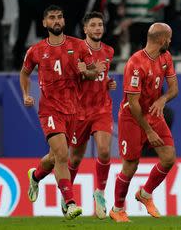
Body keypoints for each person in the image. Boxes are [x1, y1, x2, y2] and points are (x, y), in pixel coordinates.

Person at [21, 5, 102, 220]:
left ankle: (36, 176)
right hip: (49, 109)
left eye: (59, 17)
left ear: (64, 21)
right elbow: (24, 73)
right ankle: (70, 202)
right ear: (45, 23)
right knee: (63, 155)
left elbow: (94, 73)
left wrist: (89, 72)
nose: (56, 20)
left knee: (55, 156)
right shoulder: (36, 50)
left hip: (73, 110)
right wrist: (26, 94)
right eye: (52, 18)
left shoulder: (79, 46)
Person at [109, 23, 178, 222]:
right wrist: (148, 131)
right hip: (132, 116)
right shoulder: (135, 63)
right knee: (131, 165)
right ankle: (117, 209)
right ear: (162, 39)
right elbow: (133, 104)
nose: (171, 42)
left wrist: (162, 99)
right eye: (170, 38)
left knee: (168, 157)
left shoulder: (166, 57)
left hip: (154, 113)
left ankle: (145, 194)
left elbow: (174, 89)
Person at [67, 12, 116, 219]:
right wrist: (91, 71)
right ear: (85, 29)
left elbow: (101, 76)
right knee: (76, 157)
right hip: (79, 111)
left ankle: (100, 193)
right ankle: (66, 194)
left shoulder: (109, 51)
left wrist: (108, 82)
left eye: (100, 25)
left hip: (102, 108)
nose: (98, 28)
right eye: (93, 25)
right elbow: (78, 75)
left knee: (104, 151)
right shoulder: (76, 50)